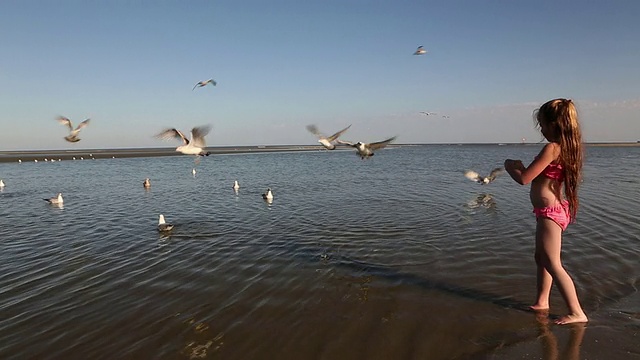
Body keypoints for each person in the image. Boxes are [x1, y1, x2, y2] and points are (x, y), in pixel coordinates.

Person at [504, 98, 588, 324]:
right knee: (540, 258)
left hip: (551, 212)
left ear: (555, 124)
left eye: (542, 124)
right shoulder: (567, 147)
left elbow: (524, 179)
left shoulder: (552, 148)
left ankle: (577, 312)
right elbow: (540, 175)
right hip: (549, 211)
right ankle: (542, 301)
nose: (541, 129)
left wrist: (511, 166)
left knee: (552, 262)